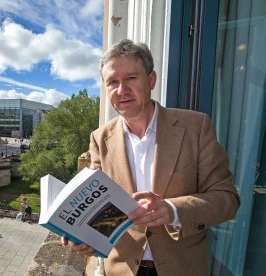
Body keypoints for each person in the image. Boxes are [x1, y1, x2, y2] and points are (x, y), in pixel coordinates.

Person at [61, 39, 240, 276]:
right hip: (122, 269)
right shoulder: (99, 138)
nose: (121, 90)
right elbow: (100, 207)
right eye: (112, 82)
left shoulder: (196, 127)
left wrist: (173, 210)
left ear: (151, 80)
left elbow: (227, 199)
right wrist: (85, 236)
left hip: (182, 268)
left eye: (131, 78)